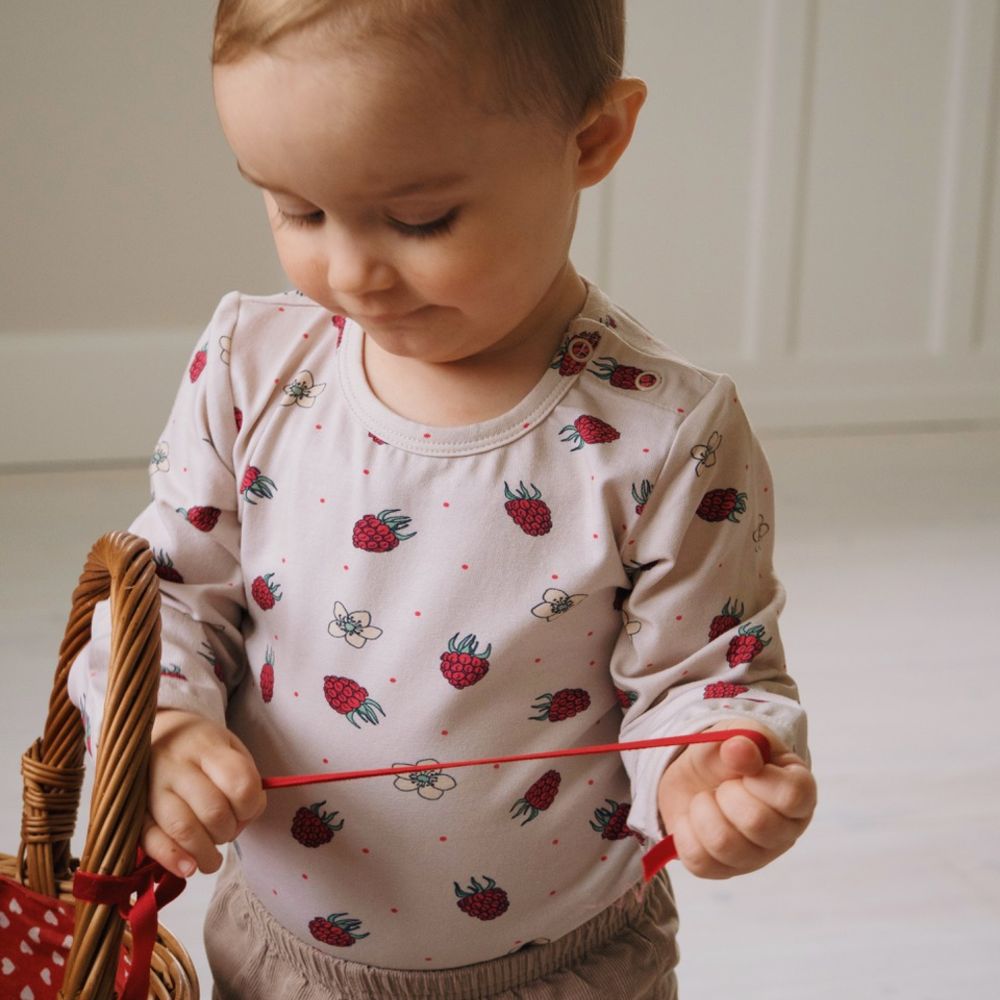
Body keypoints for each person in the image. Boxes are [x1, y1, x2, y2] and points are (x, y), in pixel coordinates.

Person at [70, 1, 817, 996]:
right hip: (288, 955)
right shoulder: (252, 368)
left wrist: (710, 774)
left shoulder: (664, 434)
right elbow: (167, 589)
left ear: (592, 139)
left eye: (420, 220)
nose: (350, 271)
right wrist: (162, 725)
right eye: (297, 209)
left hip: (566, 964)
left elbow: (701, 673)